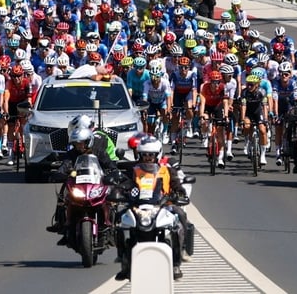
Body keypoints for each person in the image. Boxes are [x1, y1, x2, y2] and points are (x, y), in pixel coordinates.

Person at [115, 134, 189, 281]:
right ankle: (124, 261)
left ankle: (176, 261)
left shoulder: (166, 170)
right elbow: (124, 184)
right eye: (144, 155)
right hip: (137, 207)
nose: (148, 158)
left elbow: (176, 184)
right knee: (118, 220)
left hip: (163, 206)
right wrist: (118, 191)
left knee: (180, 216)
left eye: (151, 155)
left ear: (157, 155)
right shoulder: (133, 170)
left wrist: (180, 193)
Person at [46, 114, 118, 244]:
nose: (79, 146)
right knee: (64, 193)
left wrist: (114, 172)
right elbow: (65, 165)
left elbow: (108, 163)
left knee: (112, 196)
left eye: (81, 143)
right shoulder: (71, 154)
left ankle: (112, 223)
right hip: (78, 183)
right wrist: (59, 173)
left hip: (96, 180)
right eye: (76, 143)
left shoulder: (98, 151)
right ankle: (63, 223)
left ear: (88, 141)